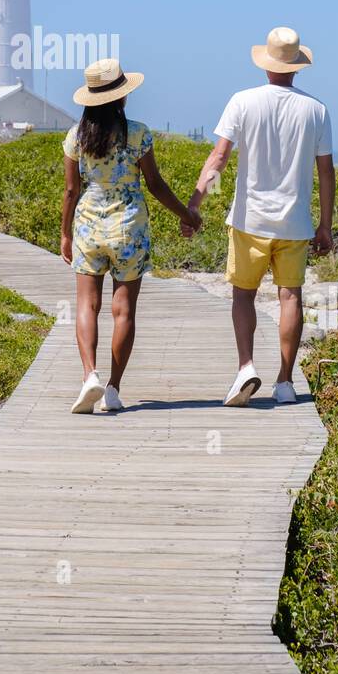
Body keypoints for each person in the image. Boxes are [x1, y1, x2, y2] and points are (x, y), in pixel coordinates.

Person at [184, 27, 335, 407]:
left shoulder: (243, 101)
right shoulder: (316, 110)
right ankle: (285, 382)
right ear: (297, 67)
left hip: (250, 220)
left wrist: (196, 203)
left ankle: (246, 366)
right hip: (295, 222)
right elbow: (326, 172)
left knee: (243, 296)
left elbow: (219, 158)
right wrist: (325, 225)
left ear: (266, 64)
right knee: (290, 297)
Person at [61, 57, 201, 414]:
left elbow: (70, 192)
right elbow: (155, 185)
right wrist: (188, 215)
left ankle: (89, 374)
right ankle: (112, 389)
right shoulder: (138, 133)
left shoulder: (76, 137)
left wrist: (64, 234)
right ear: (122, 97)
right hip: (130, 227)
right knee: (123, 311)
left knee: (86, 306)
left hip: (88, 226)